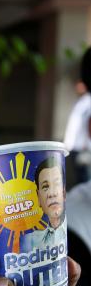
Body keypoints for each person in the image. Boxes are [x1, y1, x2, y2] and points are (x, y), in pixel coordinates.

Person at [20, 156, 67, 253]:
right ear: (38, 197)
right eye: (45, 187)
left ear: (64, 192)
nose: (52, 194)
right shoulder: (30, 240)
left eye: (57, 184)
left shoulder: (75, 232)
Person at [63, 47, 91, 184]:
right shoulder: (83, 101)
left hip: (84, 149)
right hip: (76, 148)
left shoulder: (86, 102)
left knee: (85, 181)